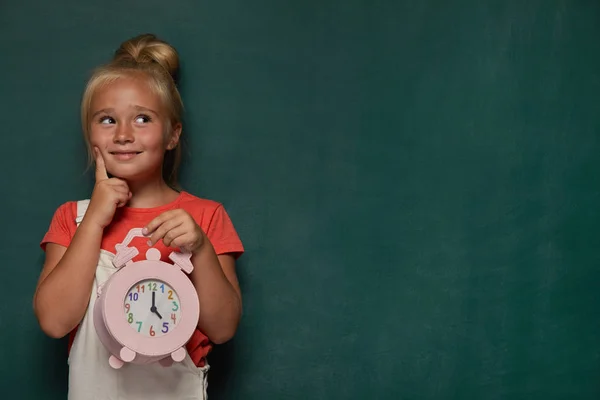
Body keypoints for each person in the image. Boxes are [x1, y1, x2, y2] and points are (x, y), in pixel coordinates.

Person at [33, 33, 244, 399]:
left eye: (142, 118)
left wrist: (202, 249)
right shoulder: (73, 218)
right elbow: (54, 321)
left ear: (172, 134)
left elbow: (223, 328)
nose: (124, 134)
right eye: (107, 120)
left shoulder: (206, 217)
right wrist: (95, 222)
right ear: (90, 135)